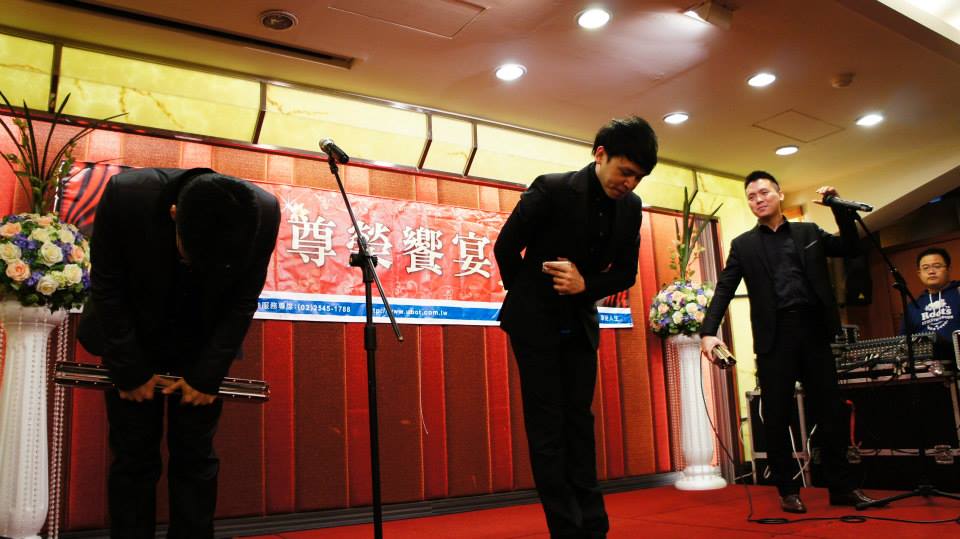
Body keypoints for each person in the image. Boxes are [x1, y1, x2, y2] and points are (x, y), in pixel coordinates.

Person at [78, 168, 280, 538]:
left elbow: (242, 299)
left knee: (196, 457)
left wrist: (207, 376)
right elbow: (107, 285)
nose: (195, 267)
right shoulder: (126, 196)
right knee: (133, 456)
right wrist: (130, 369)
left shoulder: (263, 212)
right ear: (174, 215)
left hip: (201, 345)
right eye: (191, 256)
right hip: (132, 337)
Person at [494, 116, 657, 539]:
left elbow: (625, 273)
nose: (630, 184)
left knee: (580, 426)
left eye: (638, 178)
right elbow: (505, 247)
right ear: (600, 154)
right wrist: (531, 299)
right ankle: (566, 530)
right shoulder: (551, 188)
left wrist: (586, 285)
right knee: (548, 430)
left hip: (580, 323)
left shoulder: (631, 208)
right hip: (534, 327)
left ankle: (594, 528)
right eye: (625, 171)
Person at [699, 170, 875, 514]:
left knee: (831, 412)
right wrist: (708, 332)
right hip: (775, 336)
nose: (758, 200)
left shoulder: (808, 232)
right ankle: (787, 490)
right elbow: (724, 289)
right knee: (777, 415)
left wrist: (839, 209)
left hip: (814, 331)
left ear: (779, 195)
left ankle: (842, 487)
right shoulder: (743, 245)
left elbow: (851, 248)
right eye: (751, 197)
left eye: (764, 193)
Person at [902, 247, 960, 362]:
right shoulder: (913, 306)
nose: (931, 271)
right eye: (925, 268)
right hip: (926, 367)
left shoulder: (958, 292)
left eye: (937, 266)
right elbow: (903, 342)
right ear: (919, 274)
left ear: (948, 269)